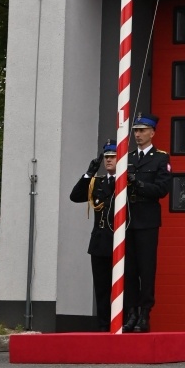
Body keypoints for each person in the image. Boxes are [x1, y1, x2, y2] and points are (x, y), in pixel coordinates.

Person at [124, 113, 171, 333]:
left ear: (152, 133)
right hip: (127, 218)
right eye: (136, 130)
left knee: (146, 269)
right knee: (129, 270)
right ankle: (131, 312)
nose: (138, 134)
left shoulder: (160, 158)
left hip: (147, 219)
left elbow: (162, 190)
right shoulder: (128, 157)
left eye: (142, 130)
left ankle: (144, 314)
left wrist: (138, 183)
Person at [69, 140, 117, 331]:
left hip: (120, 241)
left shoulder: (126, 181)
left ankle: (123, 325)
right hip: (100, 243)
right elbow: (75, 196)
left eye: (112, 157)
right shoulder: (97, 182)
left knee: (125, 288)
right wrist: (89, 173)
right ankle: (104, 326)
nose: (109, 161)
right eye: (106, 157)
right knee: (102, 288)